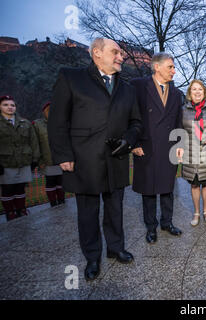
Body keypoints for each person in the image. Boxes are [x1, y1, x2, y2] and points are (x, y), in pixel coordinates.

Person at [48, 38, 142, 281]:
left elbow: (136, 123)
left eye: (121, 52)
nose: (121, 56)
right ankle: (92, 257)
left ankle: (115, 248)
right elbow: (58, 120)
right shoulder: (71, 77)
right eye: (116, 52)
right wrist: (64, 155)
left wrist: (129, 141)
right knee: (88, 212)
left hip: (116, 158)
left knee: (115, 208)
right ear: (97, 53)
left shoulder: (128, 88)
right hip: (84, 158)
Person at [130, 53, 184, 244]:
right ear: (156, 67)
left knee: (168, 188)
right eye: (170, 67)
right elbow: (130, 116)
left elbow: (178, 121)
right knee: (149, 190)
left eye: (174, 67)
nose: (174, 71)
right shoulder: (138, 86)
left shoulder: (177, 94)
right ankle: (151, 227)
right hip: (146, 146)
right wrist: (133, 144)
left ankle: (167, 223)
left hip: (168, 147)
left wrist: (179, 145)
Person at [179, 80, 206, 226]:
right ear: (189, 93)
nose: (197, 92)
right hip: (190, 153)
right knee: (193, 184)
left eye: (200, 89)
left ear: (204, 92)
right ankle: (196, 212)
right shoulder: (183, 110)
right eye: (194, 90)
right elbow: (179, 131)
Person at [0, 95, 40, 221]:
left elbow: (33, 142)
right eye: (5, 105)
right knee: (7, 188)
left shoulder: (25, 123)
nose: (10, 107)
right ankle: (10, 212)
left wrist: (35, 159)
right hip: (6, 162)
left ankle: (21, 210)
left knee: (20, 187)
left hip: (24, 160)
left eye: (12, 105)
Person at [33, 102, 65, 207]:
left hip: (61, 159)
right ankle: (53, 203)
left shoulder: (63, 123)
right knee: (50, 181)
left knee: (61, 181)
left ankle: (62, 201)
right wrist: (39, 161)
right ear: (44, 112)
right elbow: (35, 143)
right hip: (47, 159)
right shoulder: (37, 124)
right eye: (49, 110)